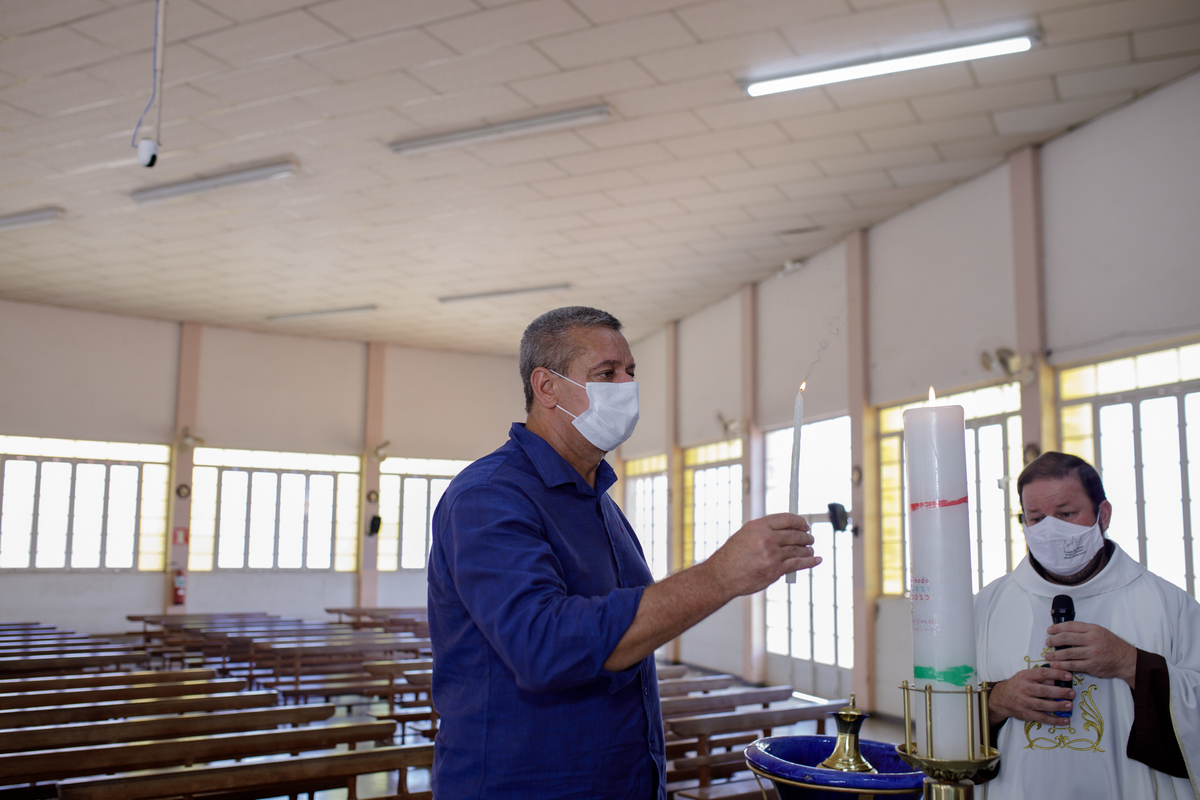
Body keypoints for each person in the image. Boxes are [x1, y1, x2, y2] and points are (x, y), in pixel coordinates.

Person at [427, 306, 821, 800]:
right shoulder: (489, 495)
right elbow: (542, 646)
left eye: (631, 371)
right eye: (607, 373)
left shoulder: (598, 500)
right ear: (546, 387)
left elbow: (627, 632)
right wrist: (721, 575)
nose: (627, 386)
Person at [974, 451, 1200, 798]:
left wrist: (1130, 663)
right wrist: (996, 701)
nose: (1051, 531)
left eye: (1066, 514)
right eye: (1036, 518)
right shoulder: (986, 607)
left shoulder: (1170, 606)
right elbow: (942, 711)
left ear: (1102, 514)